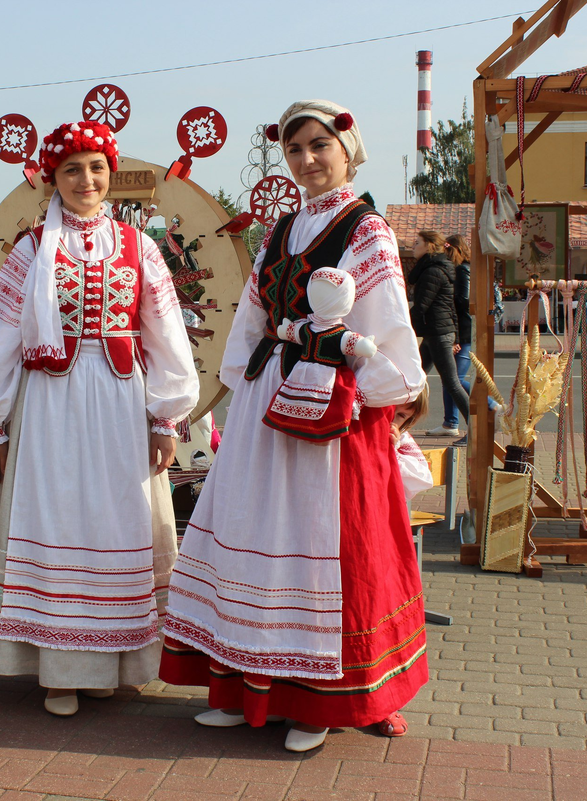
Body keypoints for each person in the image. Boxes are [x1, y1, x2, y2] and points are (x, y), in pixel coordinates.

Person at [159, 100, 428, 753]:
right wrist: (240, 392)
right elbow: (252, 312)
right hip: (268, 402)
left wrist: (381, 380)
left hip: (335, 409)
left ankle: (318, 699)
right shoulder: (281, 229)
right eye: (296, 149)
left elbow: (389, 326)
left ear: (347, 149)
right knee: (252, 532)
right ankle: (243, 682)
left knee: (316, 545)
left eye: (318, 145)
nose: (307, 159)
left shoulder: (366, 231)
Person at [0, 120, 198, 717]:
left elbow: (165, 332)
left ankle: (118, 662)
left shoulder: (139, 246)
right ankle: (59, 670)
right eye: (71, 169)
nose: (85, 179)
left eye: (95, 167)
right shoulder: (31, 250)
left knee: (119, 523)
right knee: (59, 522)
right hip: (50, 406)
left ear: (109, 174)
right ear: (51, 179)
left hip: (120, 403)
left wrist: (166, 417)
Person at [431, 234, 497, 441]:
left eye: (448, 252)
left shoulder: (461, 270)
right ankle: (450, 422)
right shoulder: (468, 269)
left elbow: (462, 302)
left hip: (464, 330)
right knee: (448, 378)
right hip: (464, 329)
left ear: (455, 251)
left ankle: (491, 405)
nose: (446, 257)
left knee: (455, 379)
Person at [410, 230, 468, 436]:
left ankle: (477, 430)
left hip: (438, 333)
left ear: (429, 246)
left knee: (452, 383)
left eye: (417, 243)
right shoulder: (435, 269)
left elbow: (421, 307)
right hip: (436, 333)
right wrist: (456, 337)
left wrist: (403, 328)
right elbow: (450, 308)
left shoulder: (432, 272)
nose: (413, 246)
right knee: (415, 376)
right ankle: (398, 423)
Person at [392, 384, 435, 502]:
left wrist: (391, 450)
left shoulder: (402, 439)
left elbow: (422, 478)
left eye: (400, 415)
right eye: (388, 409)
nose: (391, 418)